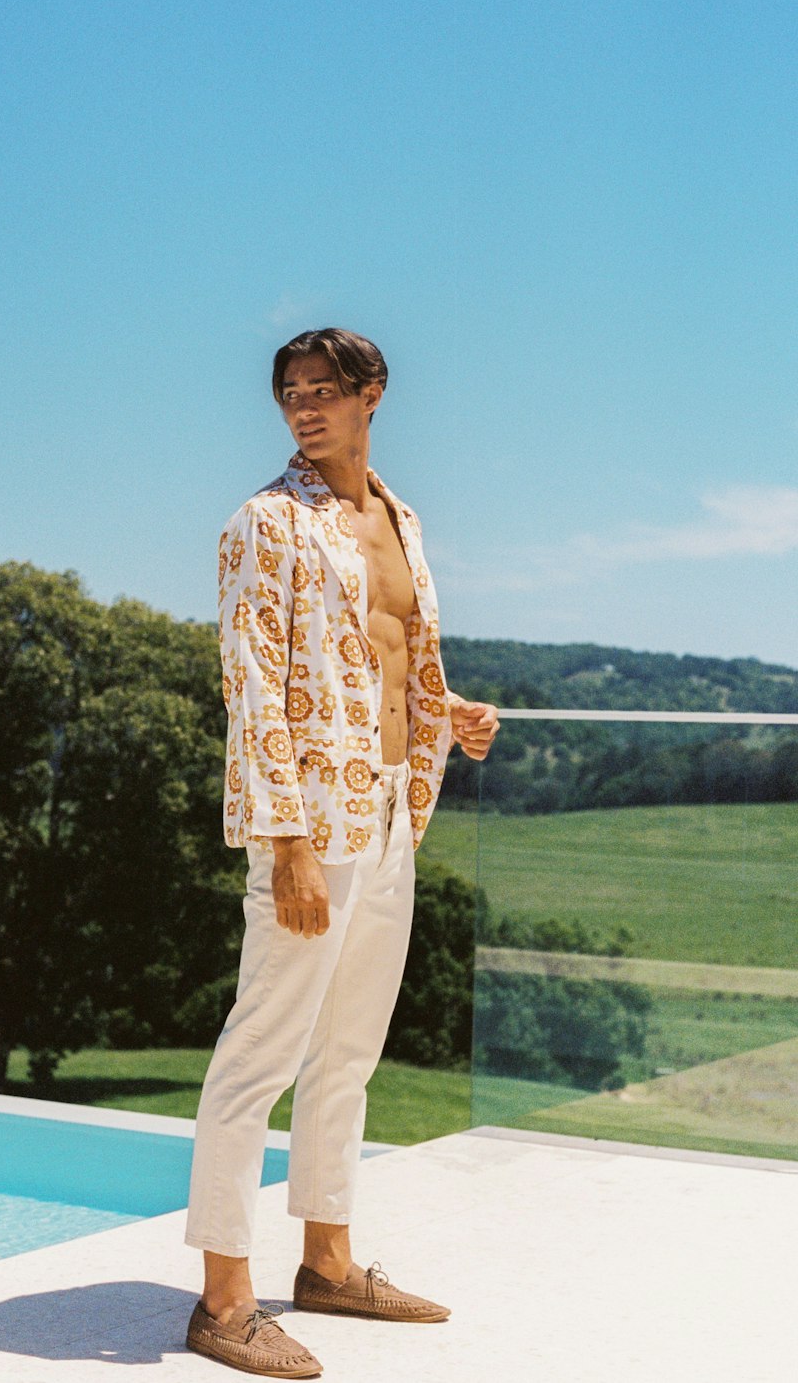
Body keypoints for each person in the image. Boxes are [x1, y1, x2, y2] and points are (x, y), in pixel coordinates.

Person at [184, 328, 499, 1378]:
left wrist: (443, 710)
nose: (304, 409)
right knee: (258, 1055)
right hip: (309, 828)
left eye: (323, 391)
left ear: (373, 397)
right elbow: (254, 688)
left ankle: (325, 1262)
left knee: (348, 1053)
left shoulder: (398, 521)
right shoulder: (262, 525)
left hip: (393, 818)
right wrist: (285, 844)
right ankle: (224, 1301)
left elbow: (369, 656)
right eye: (289, 394)